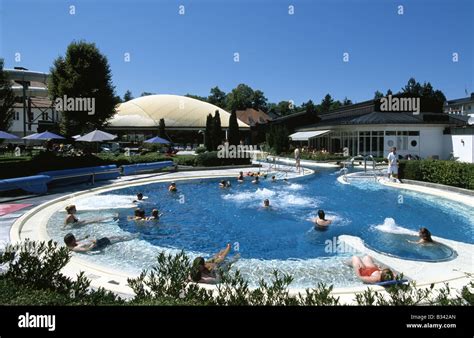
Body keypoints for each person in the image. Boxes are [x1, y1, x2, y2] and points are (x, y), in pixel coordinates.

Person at [64, 233, 137, 253]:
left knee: (112, 236)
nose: (76, 239)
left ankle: (129, 236)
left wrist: (85, 237)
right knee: (117, 240)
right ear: (72, 241)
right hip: (98, 245)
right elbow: (87, 250)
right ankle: (132, 237)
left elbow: (78, 240)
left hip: (97, 242)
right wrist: (94, 243)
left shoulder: (73, 243)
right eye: (74, 238)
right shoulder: (76, 248)